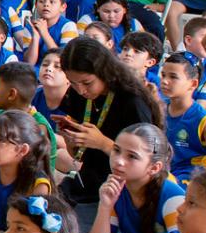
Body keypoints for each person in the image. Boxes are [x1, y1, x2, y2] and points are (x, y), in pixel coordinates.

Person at [56, 37, 164, 221]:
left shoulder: (132, 101)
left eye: (87, 82)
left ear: (103, 71)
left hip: (124, 189)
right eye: (72, 82)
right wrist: (72, 139)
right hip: (87, 182)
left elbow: (148, 162)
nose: (80, 90)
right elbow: (78, 157)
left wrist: (102, 143)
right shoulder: (77, 94)